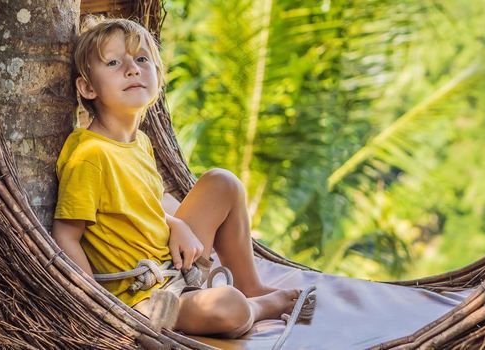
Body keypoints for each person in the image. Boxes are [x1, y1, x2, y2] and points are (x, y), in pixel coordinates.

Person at [51, 17, 313, 339]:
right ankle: (256, 307)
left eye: (142, 59)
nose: (132, 69)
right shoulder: (89, 155)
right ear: (88, 87)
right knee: (228, 307)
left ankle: (251, 286)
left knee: (223, 182)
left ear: (158, 77)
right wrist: (98, 306)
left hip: (174, 265)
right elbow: (66, 235)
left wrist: (178, 224)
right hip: (142, 297)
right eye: (114, 62)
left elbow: (136, 209)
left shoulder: (140, 143)